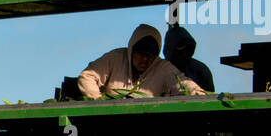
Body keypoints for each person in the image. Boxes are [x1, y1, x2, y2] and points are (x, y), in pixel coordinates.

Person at [77, 24, 207, 100]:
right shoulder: (115, 58)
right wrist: (98, 102)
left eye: (150, 55)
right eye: (140, 53)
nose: (145, 59)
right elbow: (87, 76)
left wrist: (198, 94)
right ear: (132, 50)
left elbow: (181, 83)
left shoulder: (163, 68)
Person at [163, 24, 215, 92]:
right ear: (171, 50)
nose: (185, 54)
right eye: (181, 50)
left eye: (189, 49)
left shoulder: (200, 70)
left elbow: (210, 97)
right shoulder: (158, 71)